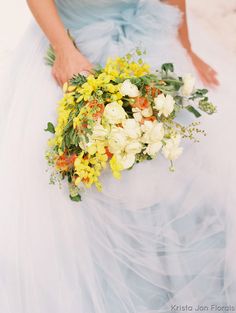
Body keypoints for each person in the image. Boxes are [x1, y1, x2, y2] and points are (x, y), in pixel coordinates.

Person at [0, 0, 235, 312]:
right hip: (72, 33)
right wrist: (63, 49)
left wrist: (185, 46)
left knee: (180, 158)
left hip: (144, 26)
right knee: (88, 171)